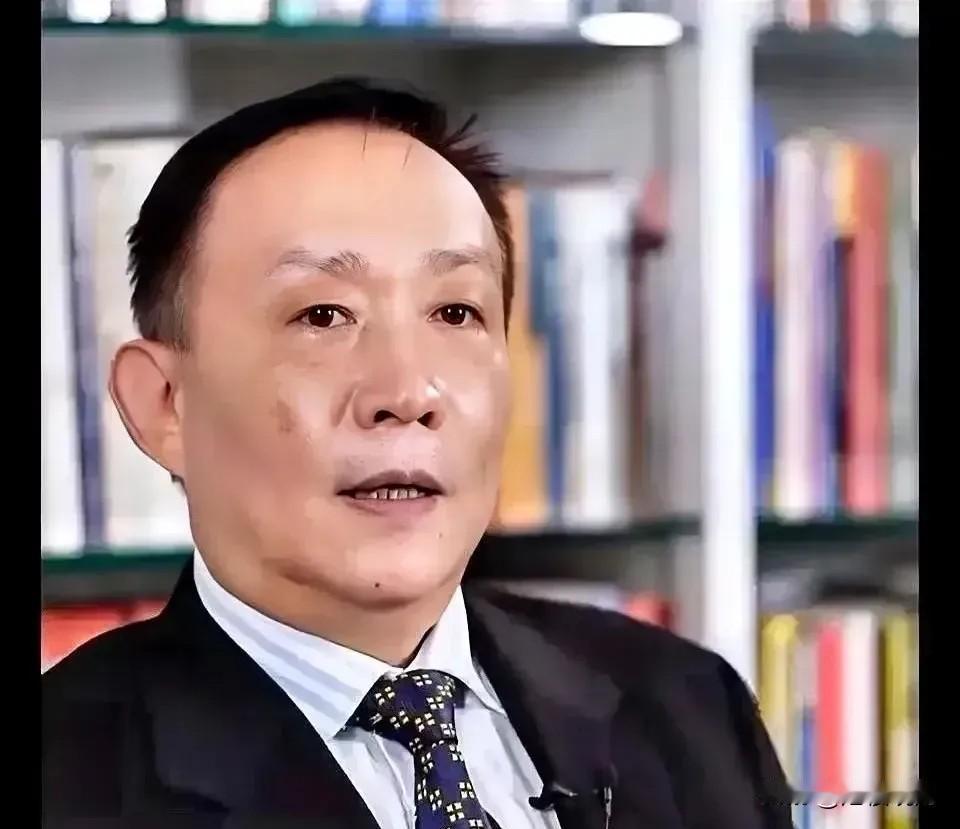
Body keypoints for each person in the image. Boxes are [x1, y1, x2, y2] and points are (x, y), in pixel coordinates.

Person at [42, 78, 794, 828]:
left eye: (456, 311)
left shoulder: (688, 707)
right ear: (164, 403)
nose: (408, 391)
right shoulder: (70, 782)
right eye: (322, 315)